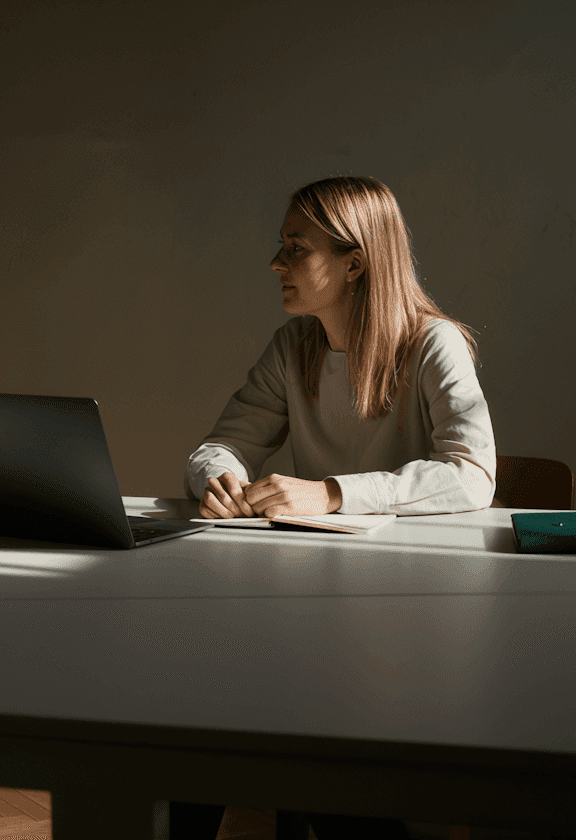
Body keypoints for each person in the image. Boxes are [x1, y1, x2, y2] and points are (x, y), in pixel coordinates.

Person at [177, 176, 496, 840]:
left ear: (354, 261)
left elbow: (471, 477)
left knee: (304, 725)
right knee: (192, 719)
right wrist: (221, 478)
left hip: (418, 614)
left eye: (295, 247)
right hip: (316, 602)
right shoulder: (294, 346)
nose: (276, 264)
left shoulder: (433, 344)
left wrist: (330, 492)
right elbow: (221, 444)